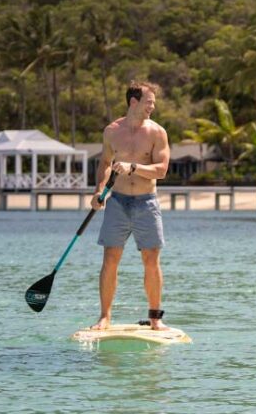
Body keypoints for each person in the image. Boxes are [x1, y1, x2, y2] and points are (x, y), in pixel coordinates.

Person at [90, 81, 171, 330]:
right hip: (118, 203)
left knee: (151, 259)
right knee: (111, 258)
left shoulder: (157, 132)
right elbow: (104, 162)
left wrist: (133, 167)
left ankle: (155, 318)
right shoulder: (112, 131)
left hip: (147, 203)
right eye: (148, 102)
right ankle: (105, 317)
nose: (152, 107)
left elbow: (162, 170)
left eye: (154, 103)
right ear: (133, 102)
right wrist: (99, 190)